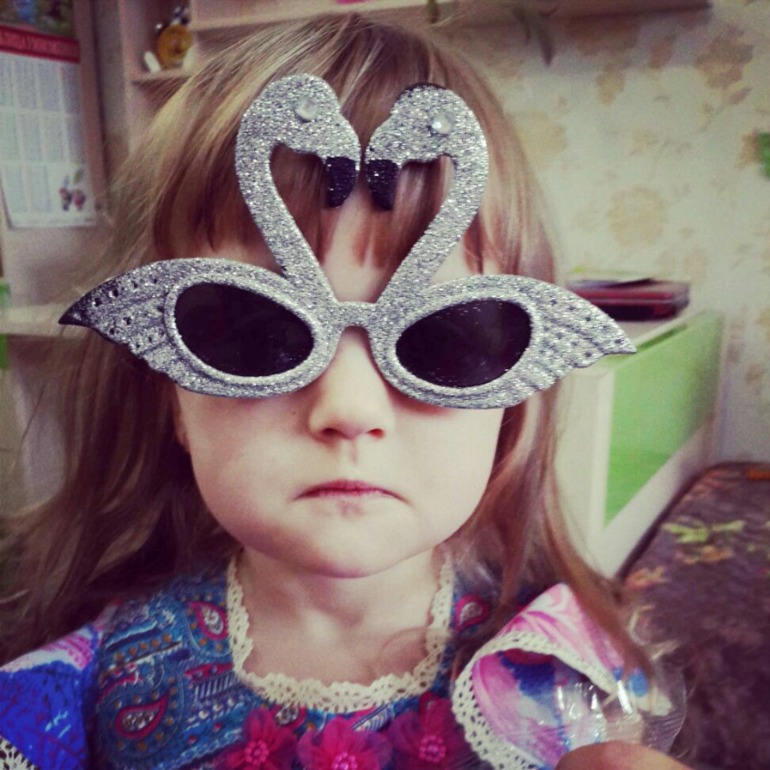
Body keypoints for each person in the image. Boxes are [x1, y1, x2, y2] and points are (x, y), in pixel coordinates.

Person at [0, 13, 687, 770]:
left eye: (445, 339)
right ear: (170, 396)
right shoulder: (103, 676)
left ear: (512, 402)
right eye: (254, 333)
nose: (349, 410)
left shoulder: (567, 678)